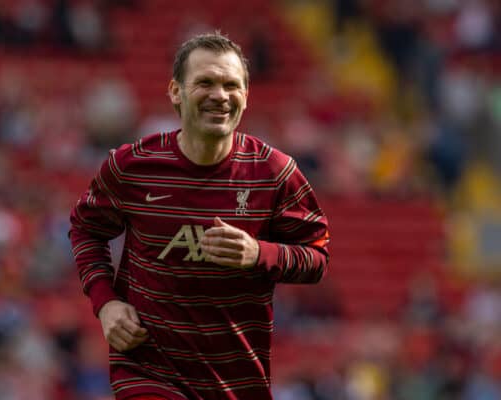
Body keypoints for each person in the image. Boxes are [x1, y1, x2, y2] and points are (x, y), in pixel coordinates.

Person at [68, 32, 330, 400]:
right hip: (148, 372)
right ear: (175, 91)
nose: (220, 95)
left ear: (246, 96)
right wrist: (106, 302)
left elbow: (316, 257)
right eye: (205, 82)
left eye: (231, 85)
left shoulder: (275, 173)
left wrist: (259, 254)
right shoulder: (132, 166)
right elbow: (85, 229)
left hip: (236, 382)